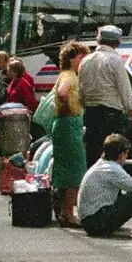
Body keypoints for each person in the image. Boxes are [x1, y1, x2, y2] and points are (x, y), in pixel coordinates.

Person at [78, 25, 132, 169]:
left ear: (98, 40)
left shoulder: (85, 61)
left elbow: (81, 95)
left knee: (93, 158)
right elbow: (127, 97)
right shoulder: (115, 61)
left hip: (90, 115)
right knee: (111, 160)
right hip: (110, 118)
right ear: (118, 43)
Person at [51, 41, 88, 227]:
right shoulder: (70, 76)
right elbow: (62, 93)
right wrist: (67, 108)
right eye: (81, 57)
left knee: (64, 169)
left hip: (63, 124)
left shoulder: (64, 74)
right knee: (76, 170)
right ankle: (68, 213)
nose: (83, 60)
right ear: (72, 58)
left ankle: (64, 211)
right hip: (69, 123)